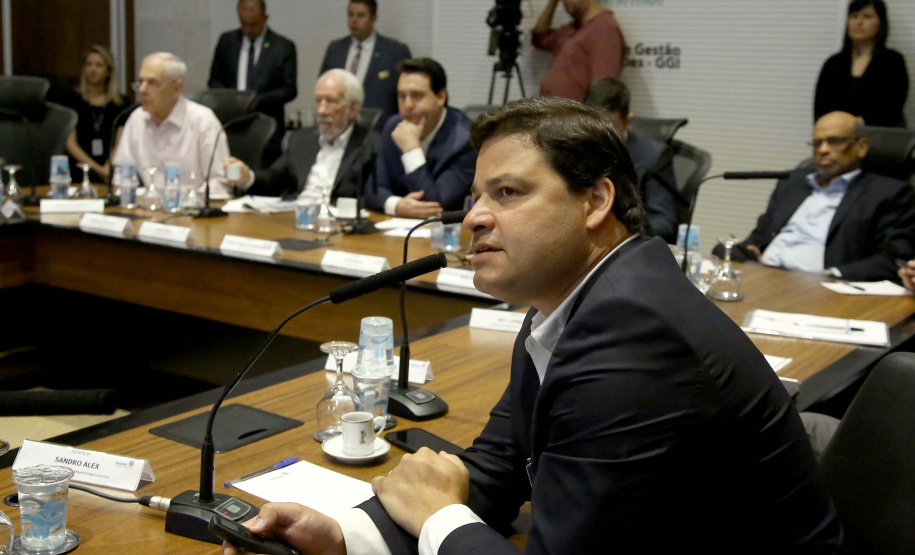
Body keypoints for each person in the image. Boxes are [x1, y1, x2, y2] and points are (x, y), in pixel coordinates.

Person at [223, 97, 842, 554]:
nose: (475, 219)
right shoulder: (574, 300)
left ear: (595, 202)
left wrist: (438, 518)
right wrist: (343, 536)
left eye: (508, 194)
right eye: (476, 198)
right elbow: (496, 468)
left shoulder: (634, 330)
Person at [741, 111, 915, 283]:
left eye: (835, 141)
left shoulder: (888, 193)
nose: (823, 150)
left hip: (819, 286)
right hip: (764, 275)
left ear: (861, 147)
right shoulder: (793, 183)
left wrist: (831, 274)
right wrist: (747, 251)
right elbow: (760, 234)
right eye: (817, 143)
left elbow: (894, 258)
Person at [225, 69, 375, 203]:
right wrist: (248, 178)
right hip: (297, 216)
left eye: (331, 101)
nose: (321, 110)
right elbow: (275, 179)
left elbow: (373, 196)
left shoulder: (370, 145)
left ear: (354, 108)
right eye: (318, 101)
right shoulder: (301, 139)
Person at [364, 58, 475, 219]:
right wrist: (397, 205)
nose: (407, 105)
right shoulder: (393, 126)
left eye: (417, 96)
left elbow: (437, 204)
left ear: (440, 97)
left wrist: (411, 149)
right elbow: (372, 190)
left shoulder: (465, 140)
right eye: (402, 96)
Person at [114, 52, 230, 195]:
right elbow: (121, 172)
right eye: (140, 82)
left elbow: (220, 184)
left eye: (152, 83)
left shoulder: (203, 121)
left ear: (177, 87)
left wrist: (185, 204)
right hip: (147, 209)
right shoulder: (137, 118)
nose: (142, 90)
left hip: (191, 212)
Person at [585, 77, 683, 243]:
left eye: (610, 126)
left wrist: (618, 230)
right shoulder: (579, 150)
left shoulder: (653, 156)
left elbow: (663, 222)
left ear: (627, 121)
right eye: (594, 126)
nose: (602, 136)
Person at [208, 0, 297, 166]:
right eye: (244, 24)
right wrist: (231, 100)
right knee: (231, 174)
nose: (248, 29)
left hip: (267, 127)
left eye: (254, 24)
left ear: (265, 18)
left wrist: (258, 100)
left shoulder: (283, 46)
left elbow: (289, 89)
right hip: (231, 125)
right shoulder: (227, 42)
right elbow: (214, 81)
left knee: (263, 180)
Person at [814, 0, 908, 127]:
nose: (859, 22)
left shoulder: (892, 62)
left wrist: (858, 123)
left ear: (880, 23)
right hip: (836, 139)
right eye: (854, 16)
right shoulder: (833, 64)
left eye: (867, 16)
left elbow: (892, 108)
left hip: (879, 139)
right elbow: (820, 110)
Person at [320, 0, 412, 128]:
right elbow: (323, 88)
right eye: (350, 15)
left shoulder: (395, 51)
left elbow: (405, 94)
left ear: (373, 18)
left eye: (361, 15)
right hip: (339, 126)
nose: (354, 20)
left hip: (379, 129)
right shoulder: (335, 49)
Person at [531, 0, 625, 102]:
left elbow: (603, 92)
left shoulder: (605, 30)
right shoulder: (573, 28)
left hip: (572, 115)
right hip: (553, 112)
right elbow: (539, 38)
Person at [57, 45, 126, 183]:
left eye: (99, 65)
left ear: (108, 71)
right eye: (89, 64)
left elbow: (122, 140)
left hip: (112, 170)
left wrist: (108, 167)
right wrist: (97, 169)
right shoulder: (71, 100)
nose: (93, 69)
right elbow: (70, 143)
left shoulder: (121, 103)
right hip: (78, 170)